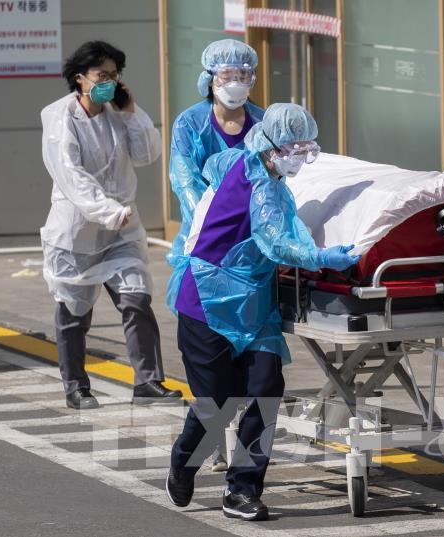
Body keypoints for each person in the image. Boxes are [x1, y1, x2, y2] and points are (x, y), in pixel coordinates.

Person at [165, 103, 360, 521]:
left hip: (254, 303)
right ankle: (184, 462)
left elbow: (215, 167)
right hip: (208, 299)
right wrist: (321, 256)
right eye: (294, 148)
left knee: (266, 390)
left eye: (307, 149)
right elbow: (275, 241)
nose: (300, 157)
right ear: (270, 146)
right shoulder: (260, 185)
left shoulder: (251, 167)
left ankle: (242, 489)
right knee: (217, 402)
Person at [40, 41, 182, 409]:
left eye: (114, 76)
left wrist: (132, 113)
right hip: (76, 232)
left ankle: (148, 381)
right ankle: (76, 386)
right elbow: (70, 175)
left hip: (120, 230)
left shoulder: (117, 113)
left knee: (136, 298)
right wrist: (106, 210)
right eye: (101, 75)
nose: (109, 83)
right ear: (80, 78)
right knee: (73, 311)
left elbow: (147, 153)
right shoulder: (60, 118)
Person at [167, 38, 265, 473]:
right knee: (215, 379)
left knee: (261, 377)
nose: (236, 83)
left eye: (244, 75)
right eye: (228, 75)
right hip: (206, 252)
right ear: (209, 78)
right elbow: (185, 180)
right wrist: (213, 224)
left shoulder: (263, 124)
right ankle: (201, 446)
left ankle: (244, 477)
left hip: (255, 255)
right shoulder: (191, 123)